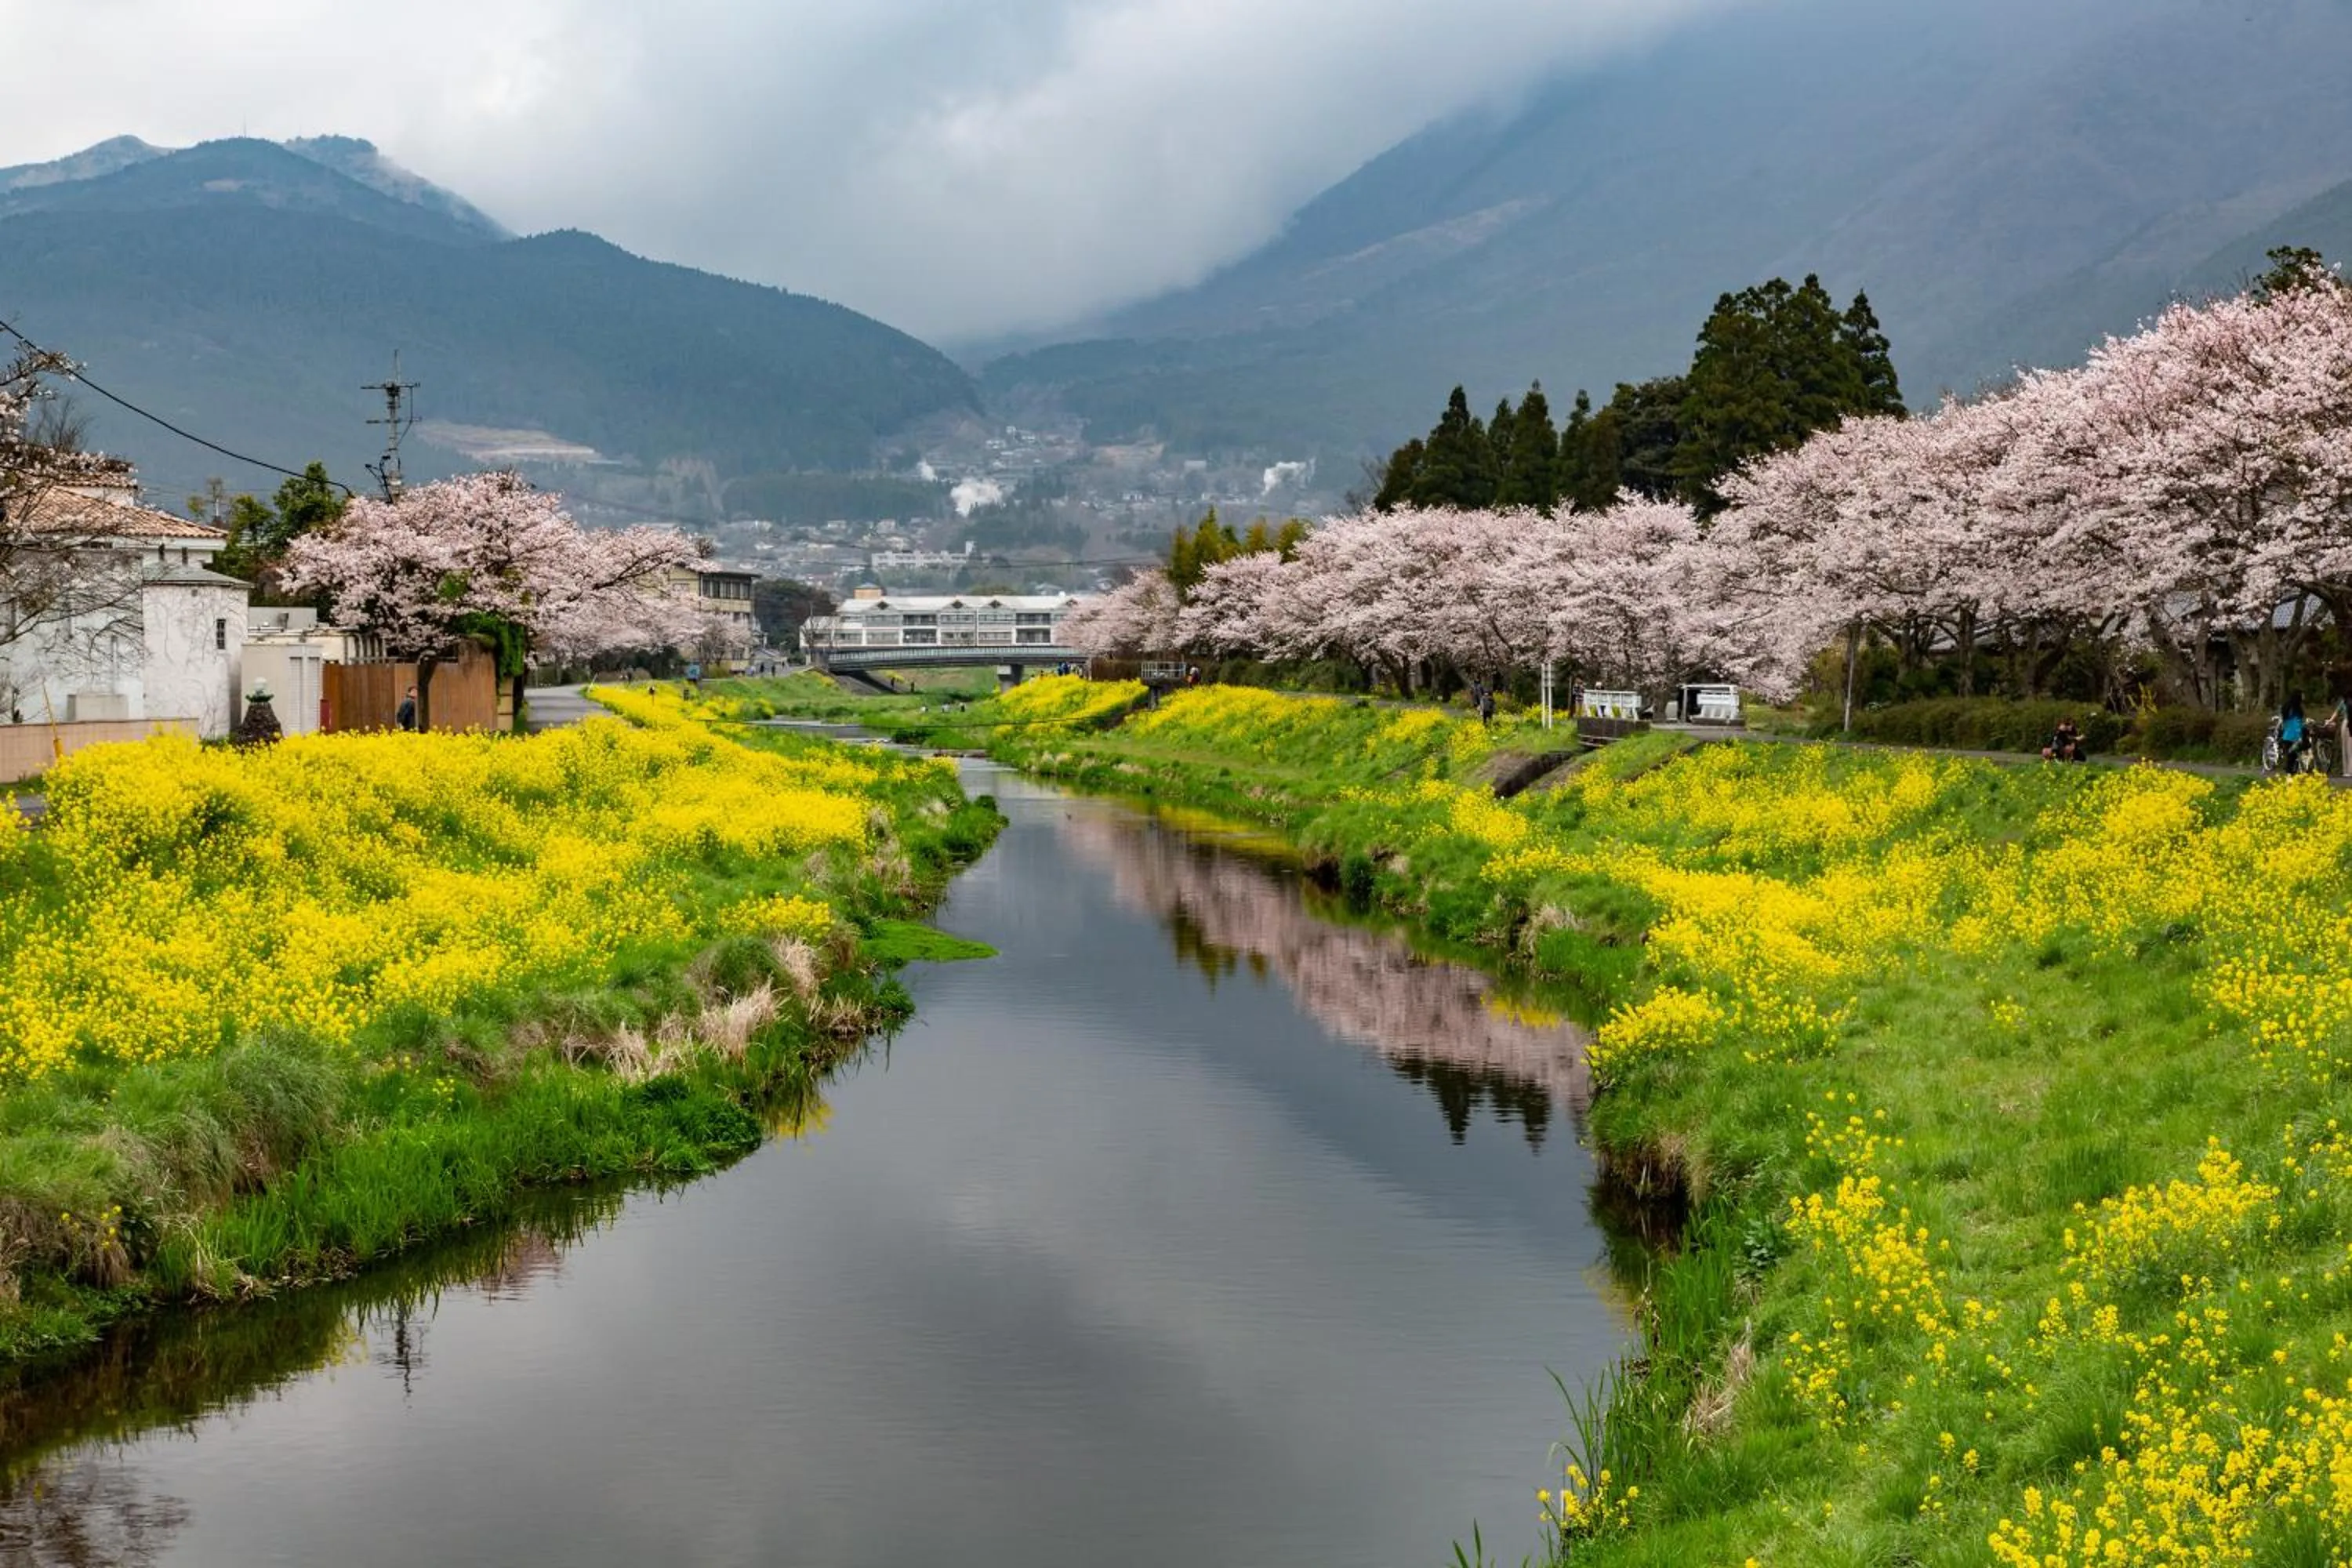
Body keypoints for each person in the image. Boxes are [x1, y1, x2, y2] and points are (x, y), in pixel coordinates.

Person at [2278, 691, 2309, 774]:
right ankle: (2293, 773)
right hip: (2295, 735)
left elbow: (2285, 720)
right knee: (2294, 754)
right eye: (2302, 695)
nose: (2304, 696)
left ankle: (2290, 773)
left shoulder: (2287, 706)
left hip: (2287, 734)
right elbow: (2297, 722)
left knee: (2291, 756)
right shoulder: (2295, 708)